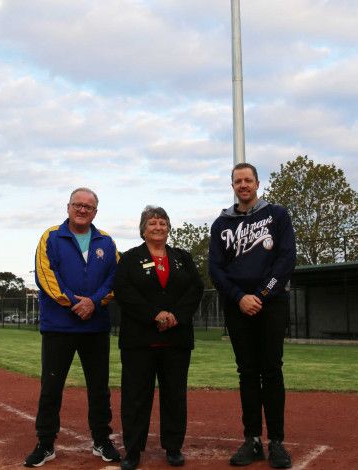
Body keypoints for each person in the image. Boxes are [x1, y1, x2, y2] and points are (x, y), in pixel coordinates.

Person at [24, 187, 121, 467]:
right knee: (51, 387)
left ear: (95, 212)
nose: (82, 210)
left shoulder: (107, 241)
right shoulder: (51, 237)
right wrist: (73, 303)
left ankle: (101, 440)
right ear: (68, 207)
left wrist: (93, 302)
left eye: (88, 207)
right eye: (77, 205)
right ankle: (45, 443)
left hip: (96, 327)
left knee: (99, 388)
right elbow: (45, 275)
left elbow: (116, 278)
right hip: (59, 327)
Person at [208, 163, 296, 469]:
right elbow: (215, 269)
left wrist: (261, 294)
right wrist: (239, 297)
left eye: (248, 180)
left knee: (271, 369)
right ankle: (252, 440)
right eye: (238, 181)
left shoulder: (278, 215)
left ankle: (277, 443)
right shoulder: (221, 224)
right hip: (237, 305)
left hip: (271, 302)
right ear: (232, 185)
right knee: (246, 371)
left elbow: (286, 259)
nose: (243, 185)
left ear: (257, 183)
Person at [114, 206, 204, 470]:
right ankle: (132, 450)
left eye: (163, 223)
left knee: (174, 395)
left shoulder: (182, 258)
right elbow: (123, 291)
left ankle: (173, 447)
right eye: (152, 223)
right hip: (139, 341)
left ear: (168, 228)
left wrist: (175, 315)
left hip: (176, 340)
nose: (158, 227)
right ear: (143, 229)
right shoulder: (129, 258)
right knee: (135, 397)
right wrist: (155, 314)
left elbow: (195, 289)